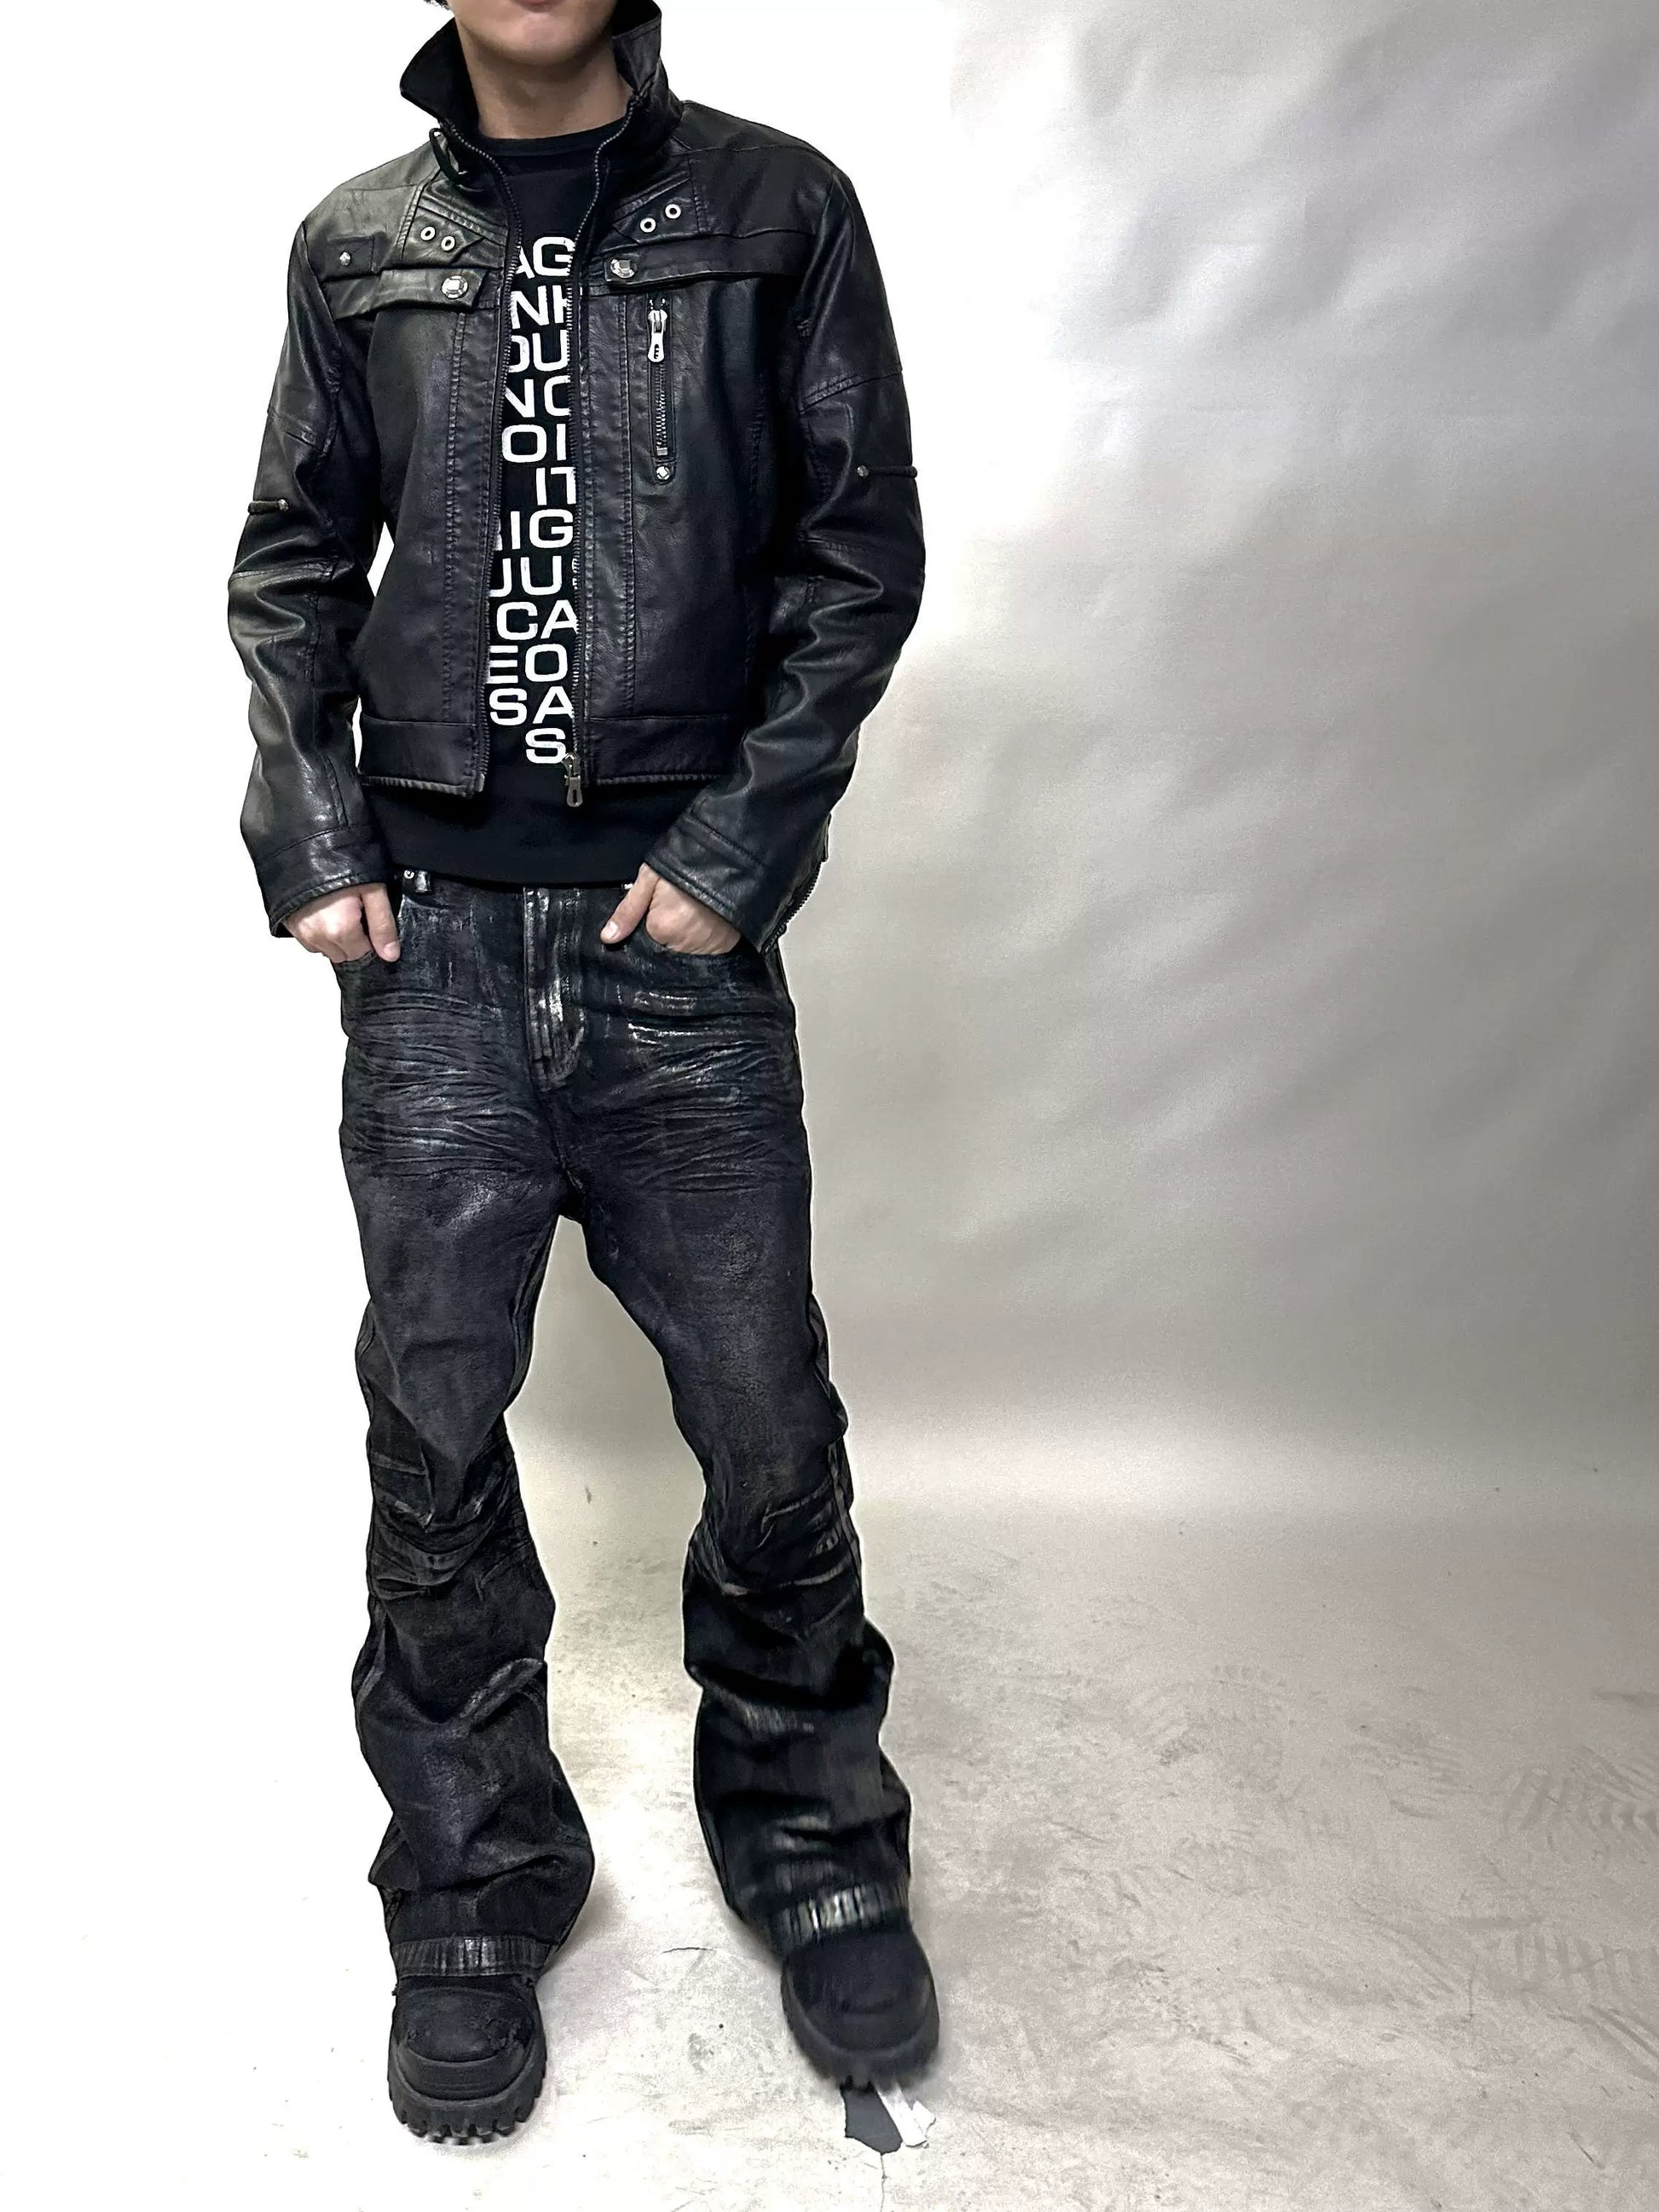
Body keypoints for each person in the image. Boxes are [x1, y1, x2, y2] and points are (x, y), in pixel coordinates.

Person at [226, 0, 935, 2145]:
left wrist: (732, 854)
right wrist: (317, 832)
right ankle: (472, 1878)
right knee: (434, 1431)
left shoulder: (779, 210)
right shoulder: (358, 241)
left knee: (764, 1415)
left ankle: (809, 1829)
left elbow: (854, 556)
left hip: (668, 951)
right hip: (431, 953)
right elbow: (290, 569)